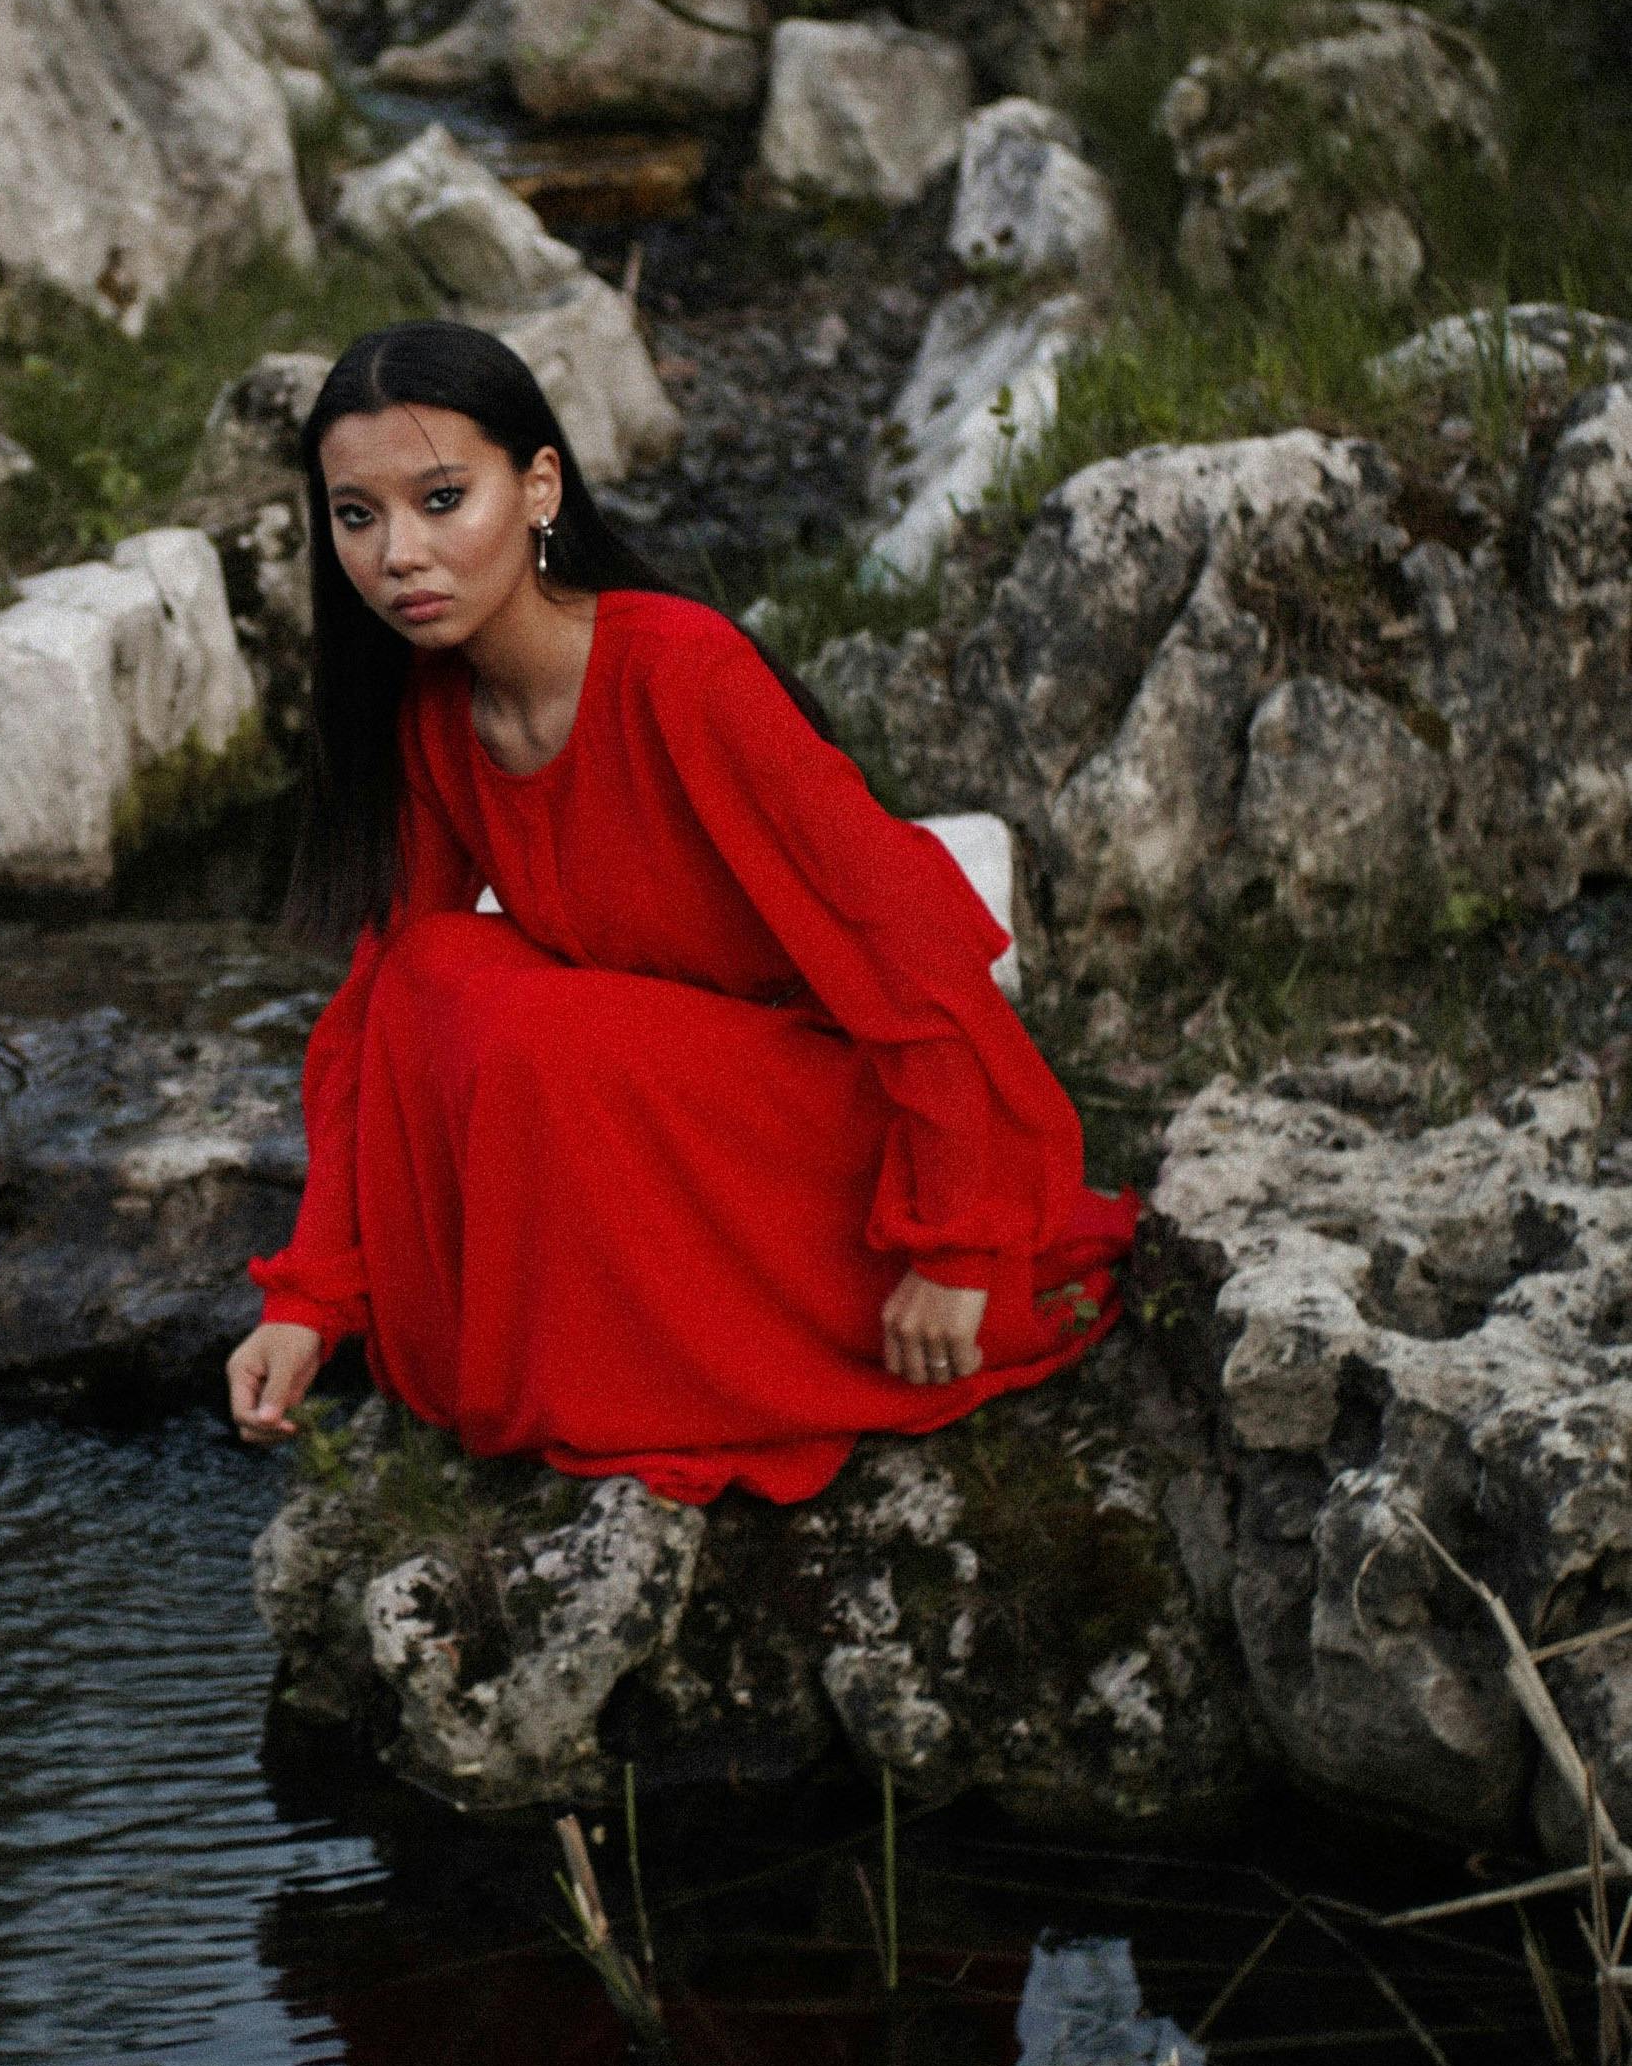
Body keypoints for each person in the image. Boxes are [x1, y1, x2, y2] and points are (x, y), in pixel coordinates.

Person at [225, 321, 1135, 1504]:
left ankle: (670, 1362)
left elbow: (911, 951)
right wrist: (308, 1299)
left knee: (537, 1038)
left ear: (540, 484)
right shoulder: (438, 713)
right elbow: (367, 1024)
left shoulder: (682, 677)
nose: (401, 553)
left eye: (443, 498)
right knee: (424, 969)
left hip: (832, 1145)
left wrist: (953, 1244)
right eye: (358, 515)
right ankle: (557, 1351)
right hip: (682, 1121)